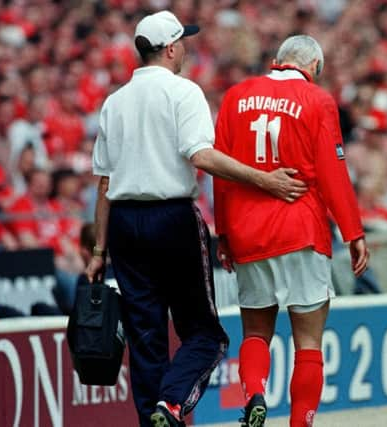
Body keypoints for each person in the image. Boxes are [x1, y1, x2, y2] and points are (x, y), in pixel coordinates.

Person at [84, 11, 308, 427]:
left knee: (146, 340)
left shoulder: (113, 102)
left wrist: (99, 250)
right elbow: (201, 155)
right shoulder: (183, 92)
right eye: (182, 41)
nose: (185, 47)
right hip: (171, 218)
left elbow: (103, 183)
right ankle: (170, 405)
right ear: (171, 48)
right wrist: (264, 180)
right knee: (206, 335)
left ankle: (156, 415)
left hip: (123, 224)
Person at [213, 35, 369, 427]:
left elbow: (220, 173)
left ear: (278, 60)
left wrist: (224, 234)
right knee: (309, 342)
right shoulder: (317, 101)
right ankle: (300, 422)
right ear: (314, 66)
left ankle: (255, 393)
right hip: (301, 229)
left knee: (255, 332)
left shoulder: (236, 97)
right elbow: (333, 174)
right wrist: (353, 232)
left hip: (248, 231)